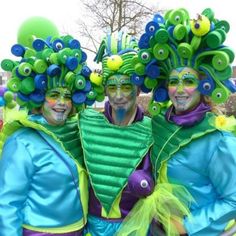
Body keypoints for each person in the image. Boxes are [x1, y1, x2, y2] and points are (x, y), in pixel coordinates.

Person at [129, 7, 236, 236]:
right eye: (173, 81)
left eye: (188, 80)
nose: (178, 90)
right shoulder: (159, 125)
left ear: (203, 85)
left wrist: (188, 226)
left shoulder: (218, 141)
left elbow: (233, 201)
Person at [0, 31, 98, 235]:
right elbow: (7, 204)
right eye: (54, 95)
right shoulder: (21, 142)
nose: (62, 103)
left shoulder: (77, 133)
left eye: (67, 96)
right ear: (39, 98)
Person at [78, 32, 155, 236]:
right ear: (105, 90)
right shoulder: (86, 123)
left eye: (126, 86)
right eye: (112, 87)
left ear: (138, 90)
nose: (119, 95)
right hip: (94, 227)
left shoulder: (152, 130)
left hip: (135, 227)